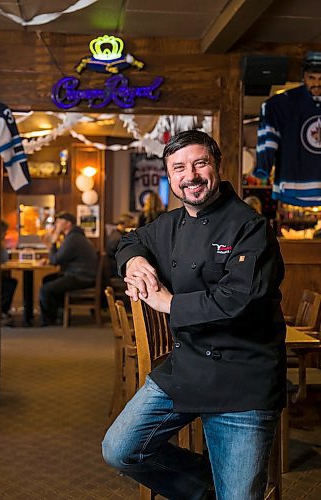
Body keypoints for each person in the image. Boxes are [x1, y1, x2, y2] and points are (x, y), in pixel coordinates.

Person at [102, 130, 287, 500]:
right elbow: (128, 240)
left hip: (243, 379)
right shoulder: (169, 225)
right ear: (170, 177)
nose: (191, 175)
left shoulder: (249, 226)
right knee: (120, 450)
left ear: (216, 166)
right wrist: (135, 261)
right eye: (179, 168)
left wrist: (169, 303)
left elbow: (240, 300)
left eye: (200, 163)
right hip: (186, 368)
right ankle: (212, 488)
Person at [253, 51, 321, 206]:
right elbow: (268, 132)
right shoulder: (281, 105)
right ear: (304, 77)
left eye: (320, 79)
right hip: (293, 183)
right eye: (312, 78)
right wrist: (263, 166)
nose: (317, 83)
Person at [39, 211, 97, 326]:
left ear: (68, 224)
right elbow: (60, 257)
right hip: (82, 274)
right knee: (48, 279)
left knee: (45, 289)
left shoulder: (72, 239)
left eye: (60, 221)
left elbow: (56, 260)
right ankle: (58, 313)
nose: (57, 223)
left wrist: (54, 242)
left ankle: (49, 321)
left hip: (81, 277)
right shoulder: (75, 237)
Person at [105, 213, 135, 278]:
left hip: (113, 269)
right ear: (126, 224)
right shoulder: (119, 238)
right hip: (116, 271)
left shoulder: (114, 234)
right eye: (131, 225)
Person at [0, 220, 17, 326]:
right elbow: (4, 258)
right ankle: (2, 311)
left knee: (10, 282)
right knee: (10, 284)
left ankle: (2, 311)